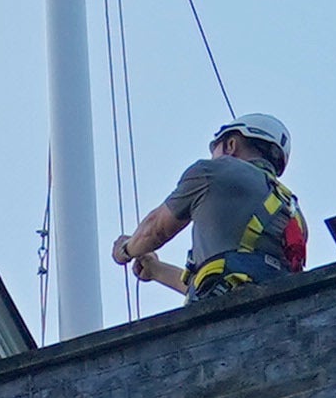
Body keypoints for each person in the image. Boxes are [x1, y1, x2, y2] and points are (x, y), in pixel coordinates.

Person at [115, 111, 309, 304]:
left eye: (215, 149)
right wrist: (156, 270)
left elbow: (155, 229)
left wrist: (126, 249)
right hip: (278, 314)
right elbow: (219, 284)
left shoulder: (213, 172)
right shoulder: (293, 211)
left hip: (228, 316)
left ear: (231, 145)